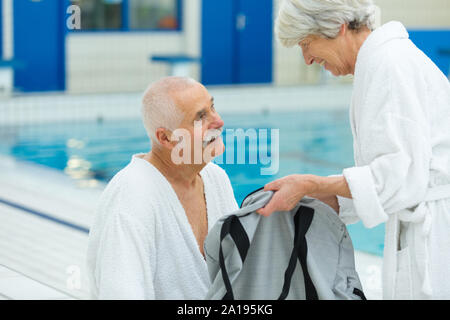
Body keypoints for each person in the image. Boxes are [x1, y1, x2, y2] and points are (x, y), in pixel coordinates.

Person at [259, 0, 450, 299]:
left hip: (437, 234)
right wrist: (316, 200)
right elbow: (383, 178)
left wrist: (311, 183)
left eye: (306, 43)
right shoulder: (381, 63)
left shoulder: (389, 64)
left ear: (338, 26)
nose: (307, 59)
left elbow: (399, 179)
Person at [86, 77, 238, 299]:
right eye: (201, 117)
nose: (218, 121)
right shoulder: (133, 198)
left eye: (212, 107)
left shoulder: (215, 179)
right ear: (166, 138)